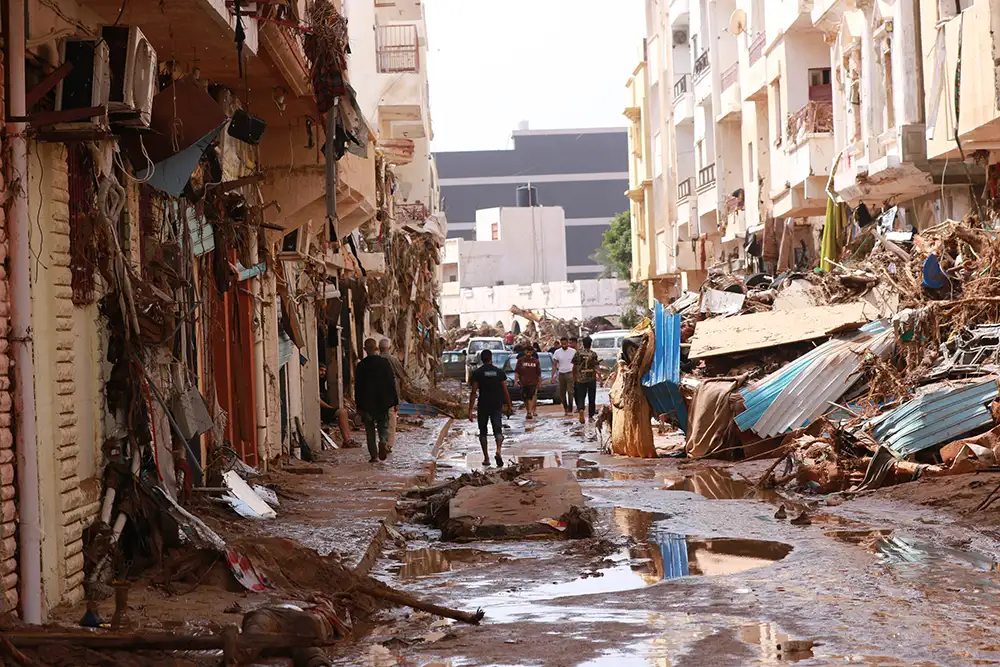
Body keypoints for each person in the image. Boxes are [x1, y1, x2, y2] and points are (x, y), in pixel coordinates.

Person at [355, 338, 399, 463]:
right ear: (376, 349)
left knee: (369, 430)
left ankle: (373, 456)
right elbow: (391, 382)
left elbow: (358, 387)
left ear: (365, 349)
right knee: (383, 426)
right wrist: (395, 401)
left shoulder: (361, 365)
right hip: (383, 402)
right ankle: (383, 441)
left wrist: (358, 406)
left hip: (367, 403)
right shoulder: (384, 363)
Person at [468, 349, 513, 467]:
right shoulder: (498, 372)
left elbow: (473, 392)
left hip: (483, 404)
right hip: (496, 404)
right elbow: (505, 390)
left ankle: (486, 458)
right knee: (497, 430)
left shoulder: (478, 373)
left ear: (481, 359)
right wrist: (509, 405)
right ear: (491, 358)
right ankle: (498, 451)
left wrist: (470, 410)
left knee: (483, 432)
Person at [379, 338, 406, 452]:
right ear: (389, 348)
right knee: (391, 419)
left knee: (381, 419)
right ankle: (388, 445)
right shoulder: (393, 359)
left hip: (378, 394)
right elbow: (402, 376)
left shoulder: (376, 359)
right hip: (391, 394)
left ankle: (382, 440)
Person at [319, 364, 354, 447]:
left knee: (344, 412)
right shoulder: (316, 384)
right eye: (321, 370)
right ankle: (347, 440)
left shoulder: (323, 383)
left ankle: (348, 439)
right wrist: (330, 408)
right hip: (321, 410)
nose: (323, 373)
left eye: (324, 371)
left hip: (325, 409)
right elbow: (317, 400)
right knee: (342, 412)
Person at [573, 336, 600, 424]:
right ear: (590, 344)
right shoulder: (593, 354)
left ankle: (581, 409)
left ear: (583, 344)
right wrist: (599, 377)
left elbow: (575, 366)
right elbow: (596, 366)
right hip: (591, 378)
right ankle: (591, 416)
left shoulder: (578, 353)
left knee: (581, 396)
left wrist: (574, 376)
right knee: (592, 397)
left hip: (581, 378)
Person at [514, 346, 542, 419]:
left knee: (530, 397)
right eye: (527, 352)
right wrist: (516, 381)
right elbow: (517, 372)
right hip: (523, 383)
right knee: (525, 398)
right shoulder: (520, 360)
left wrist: (540, 383)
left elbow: (538, 373)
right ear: (524, 352)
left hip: (533, 382)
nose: (528, 353)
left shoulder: (536, 361)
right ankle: (528, 411)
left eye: (530, 352)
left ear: (532, 352)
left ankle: (529, 412)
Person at [552, 336, 577, 416]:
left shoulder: (573, 351)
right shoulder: (557, 352)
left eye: (565, 344)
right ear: (560, 343)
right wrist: (552, 376)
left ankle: (570, 409)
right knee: (562, 393)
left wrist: (576, 375)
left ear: (567, 343)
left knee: (570, 392)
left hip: (570, 373)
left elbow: (576, 364)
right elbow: (555, 365)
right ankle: (565, 408)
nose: (564, 345)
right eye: (562, 344)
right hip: (561, 374)